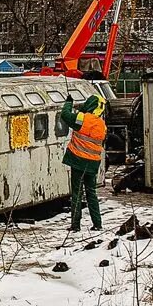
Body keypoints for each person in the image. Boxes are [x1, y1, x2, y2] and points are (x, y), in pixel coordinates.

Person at [60, 93, 107, 232]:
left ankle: (75, 225)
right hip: (93, 164)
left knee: (77, 193)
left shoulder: (82, 119)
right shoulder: (102, 125)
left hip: (78, 161)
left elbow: (65, 115)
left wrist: (69, 102)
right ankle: (97, 224)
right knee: (91, 193)